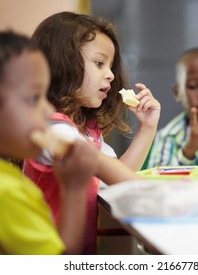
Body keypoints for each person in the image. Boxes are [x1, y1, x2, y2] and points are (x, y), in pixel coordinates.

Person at [23, 12, 160, 254]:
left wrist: (147, 128)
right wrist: (164, 197)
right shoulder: (54, 130)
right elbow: (102, 166)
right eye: (99, 63)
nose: (111, 75)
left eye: (110, 66)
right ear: (61, 62)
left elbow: (117, 175)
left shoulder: (85, 130)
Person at [0, 30, 139, 255]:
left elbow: (120, 172)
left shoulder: (9, 179)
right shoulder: (6, 193)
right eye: (34, 98)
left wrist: (148, 127)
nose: (46, 109)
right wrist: (74, 188)